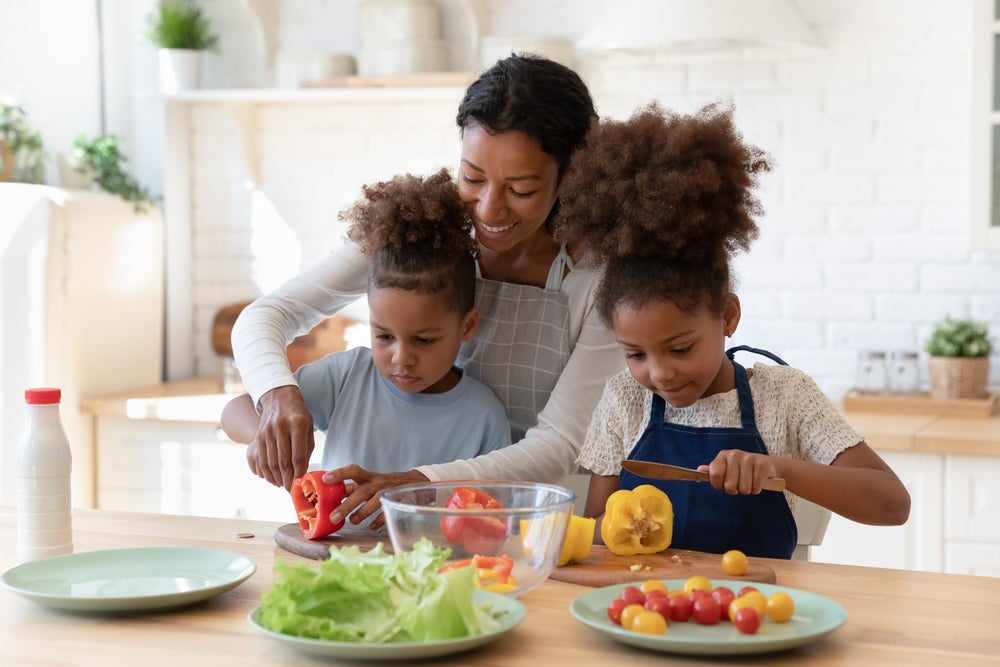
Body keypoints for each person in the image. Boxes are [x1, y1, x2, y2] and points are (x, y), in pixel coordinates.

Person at [230, 54, 625, 527]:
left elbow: (558, 445)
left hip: (537, 520)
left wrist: (418, 484)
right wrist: (278, 396)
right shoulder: (420, 234)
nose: (489, 209)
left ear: (570, 178)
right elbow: (267, 314)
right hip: (410, 514)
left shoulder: (602, 278)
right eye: (472, 177)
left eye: (520, 189)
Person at [552, 102, 911, 559]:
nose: (658, 373)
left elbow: (892, 503)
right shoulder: (624, 399)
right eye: (635, 354)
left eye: (679, 348)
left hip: (756, 616)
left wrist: (777, 469)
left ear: (727, 316)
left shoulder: (785, 397)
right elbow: (598, 531)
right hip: (648, 613)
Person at [221, 169, 512, 474]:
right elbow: (234, 411)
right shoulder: (346, 377)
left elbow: (495, 508)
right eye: (384, 336)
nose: (401, 358)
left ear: (466, 326)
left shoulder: (485, 417)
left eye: (424, 340)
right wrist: (265, 438)